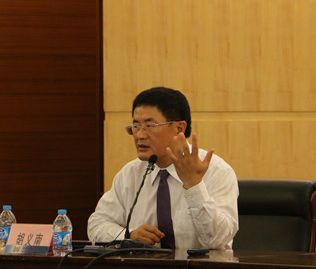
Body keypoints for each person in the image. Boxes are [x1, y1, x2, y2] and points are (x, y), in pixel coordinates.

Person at [87, 87, 238, 250]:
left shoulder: (217, 171)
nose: (139, 135)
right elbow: (97, 224)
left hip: (201, 266)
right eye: (136, 126)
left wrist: (194, 186)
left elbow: (218, 240)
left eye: (149, 126)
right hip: (145, 265)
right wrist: (128, 236)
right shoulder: (130, 174)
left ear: (179, 128)